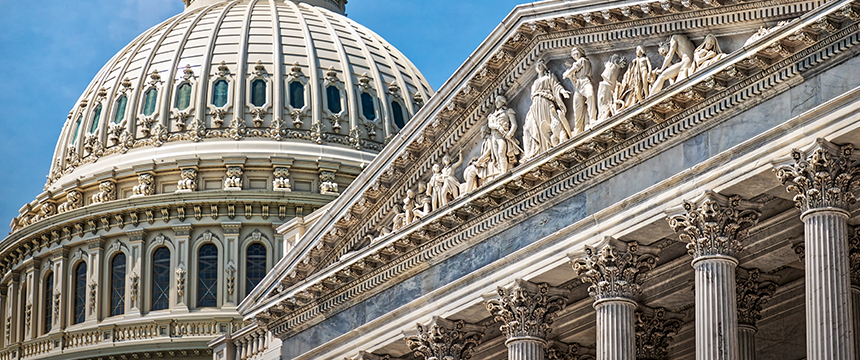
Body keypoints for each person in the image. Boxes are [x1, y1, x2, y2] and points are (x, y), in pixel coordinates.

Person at [524, 59, 571, 160]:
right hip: (536, 105)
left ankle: (550, 145)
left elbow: (556, 86)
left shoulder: (549, 76)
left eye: (541, 64)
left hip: (546, 102)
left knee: (548, 122)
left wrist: (563, 92)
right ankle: (542, 149)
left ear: (544, 66)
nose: (539, 66)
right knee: (532, 126)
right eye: (537, 65)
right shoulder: (535, 82)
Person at [563, 47, 595, 136]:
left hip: (585, 81)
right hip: (578, 86)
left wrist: (567, 73)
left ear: (581, 53)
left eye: (576, 53)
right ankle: (578, 128)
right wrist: (570, 76)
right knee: (577, 107)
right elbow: (574, 82)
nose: (575, 55)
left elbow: (575, 67)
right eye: (573, 54)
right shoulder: (576, 64)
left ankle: (592, 119)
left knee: (590, 96)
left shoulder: (583, 60)